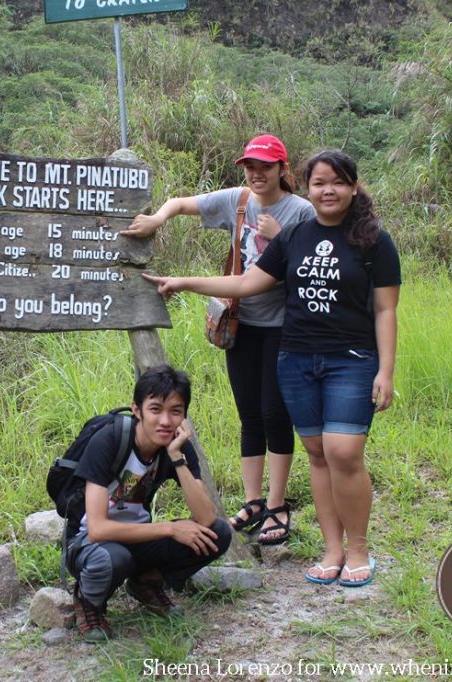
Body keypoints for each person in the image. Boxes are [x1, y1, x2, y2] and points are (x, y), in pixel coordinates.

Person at [143, 150, 400, 588]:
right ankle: (332, 549)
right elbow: (245, 283)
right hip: (296, 359)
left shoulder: (372, 239)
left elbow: (385, 310)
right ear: (309, 187)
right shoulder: (295, 236)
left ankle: (357, 549)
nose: (328, 190)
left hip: (351, 361)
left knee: (344, 452)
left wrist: (386, 371)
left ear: (353, 187)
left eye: (337, 182)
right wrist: (184, 282)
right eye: (319, 183)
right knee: (318, 455)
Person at [124, 134, 315, 545]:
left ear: (283, 169)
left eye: (265, 166)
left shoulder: (301, 212)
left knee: (274, 413)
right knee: (249, 413)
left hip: (284, 326)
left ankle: (279, 505)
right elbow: (179, 203)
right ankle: (254, 501)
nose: (256, 173)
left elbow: (309, 270)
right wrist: (158, 218)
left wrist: (279, 235)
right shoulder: (238, 200)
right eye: (250, 166)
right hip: (241, 324)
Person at [67, 365, 233, 642]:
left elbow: (205, 517)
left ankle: (146, 583)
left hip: (136, 538)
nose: (165, 421)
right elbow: (97, 529)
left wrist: (177, 456)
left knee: (217, 533)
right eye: (155, 409)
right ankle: (88, 601)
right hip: (87, 542)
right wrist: (170, 528)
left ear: (184, 416)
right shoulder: (108, 440)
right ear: (137, 410)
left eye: (175, 411)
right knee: (112, 558)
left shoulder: (176, 447)